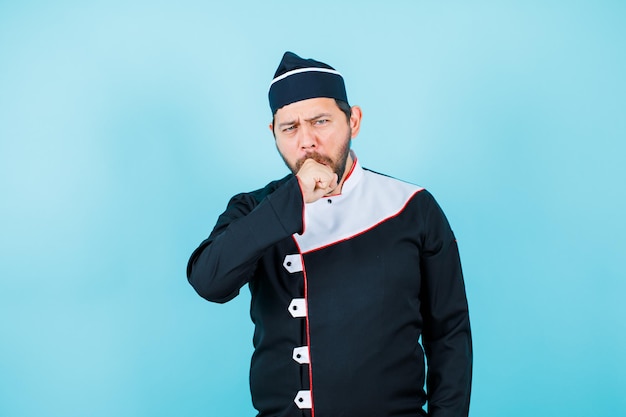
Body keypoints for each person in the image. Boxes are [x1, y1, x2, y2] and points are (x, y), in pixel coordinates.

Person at [187, 51, 472, 417]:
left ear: (353, 120)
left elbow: (449, 333)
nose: (307, 141)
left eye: (320, 121)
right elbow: (209, 282)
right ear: (273, 133)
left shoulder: (412, 206)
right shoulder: (252, 210)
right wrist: (291, 200)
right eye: (290, 128)